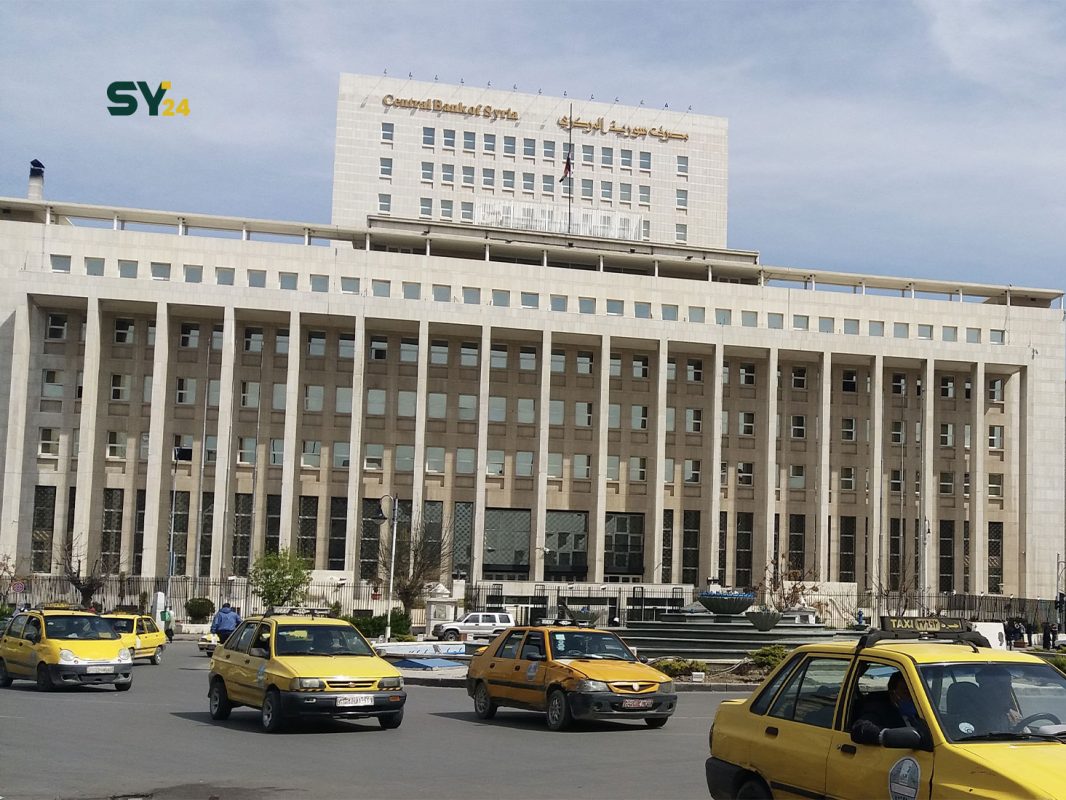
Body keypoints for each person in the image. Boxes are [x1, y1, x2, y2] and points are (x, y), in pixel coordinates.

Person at [851, 672, 926, 745]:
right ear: (892, 694)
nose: (911, 697)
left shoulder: (925, 710)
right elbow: (859, 728)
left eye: (914, 693)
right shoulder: (878, 710)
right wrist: (886, 735)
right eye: (906, 693)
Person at [975, 667, 1022, 732]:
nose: (1005, 691)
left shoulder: (1007, 712)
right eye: (1000, 686)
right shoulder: (975, 712)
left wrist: (1019, 727)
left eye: (1008, 685)